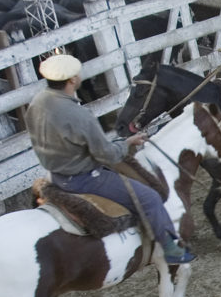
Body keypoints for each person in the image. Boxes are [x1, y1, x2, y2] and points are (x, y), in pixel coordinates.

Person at [24, 53, 194, 265]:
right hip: (84, 178)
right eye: (77, 73)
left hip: (55, 174)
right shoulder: (78, 115)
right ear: (72, 80)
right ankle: (171, 250)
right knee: (150, 198)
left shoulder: (37, 103)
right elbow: (107, 154)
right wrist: (127, 143)